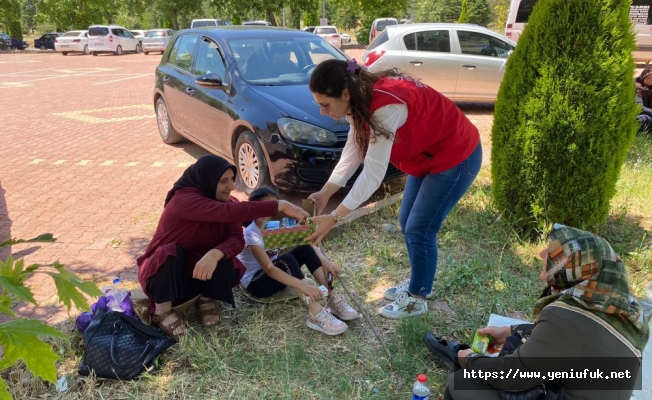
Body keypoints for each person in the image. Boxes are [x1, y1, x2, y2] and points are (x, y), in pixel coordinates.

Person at [306, 59, 482, 319]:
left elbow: (373, 174)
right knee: (406, 220)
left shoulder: (385, 106)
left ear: (344, 94)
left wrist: (334, 218)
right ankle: (418, 281)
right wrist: (326, 192)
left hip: (456, 156)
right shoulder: (359, 100)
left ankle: (418, 297)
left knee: (419, 228)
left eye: (325, 105)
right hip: (427, 158)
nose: (323, 112)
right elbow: (354, 150)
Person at [437, 224, 649, 400]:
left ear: (576, 266)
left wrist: (469, 358)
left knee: (462, 384)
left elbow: (512, 376)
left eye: (557, 253)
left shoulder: (566, 317)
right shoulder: (623, 312)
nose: (542, 253)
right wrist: (510, 332)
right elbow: (578, 339)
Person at [137, 155, 309, 339]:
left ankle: (206, 298)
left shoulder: (229, 203)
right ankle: (162, 311)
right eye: (223, 181)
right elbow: (227, 213)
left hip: (197, 271)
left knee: (227, 258)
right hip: (166, 272)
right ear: (207, 180)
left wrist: (216, 253)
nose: (232, 186)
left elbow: (236, 238)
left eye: (232, 179)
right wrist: (278, 205)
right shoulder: (184, 200)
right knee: (169, 253)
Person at [237, 186, 359, 336]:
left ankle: (332, 297)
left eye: (273, 208)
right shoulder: (251, 233)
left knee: (304, 249)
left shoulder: (277, 225)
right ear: (254, 209)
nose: (269, 213)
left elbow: (306, 243)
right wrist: (302, 285)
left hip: (278, 273)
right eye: (264, 208)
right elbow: (269, 268)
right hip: (257, 282)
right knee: (286, 259)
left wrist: (323, 261)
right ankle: (315, 313)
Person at [636, 65, 652, 133]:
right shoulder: (637, 88)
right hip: (638, 115)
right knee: (644, 118)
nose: (649, 80)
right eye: (647, 77)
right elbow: (639, 108)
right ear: (643, 76)